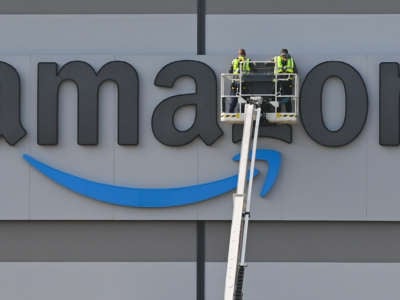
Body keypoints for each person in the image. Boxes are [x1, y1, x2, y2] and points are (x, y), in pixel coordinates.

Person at [228, 48, 252, 113]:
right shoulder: (248, 61)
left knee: (233, 100)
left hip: (235, 82)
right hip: (244, 83)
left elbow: (230, 71)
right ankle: (243, 112)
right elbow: (253, 70)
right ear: (245, 54)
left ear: (238, 54)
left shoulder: (234, 60)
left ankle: (231, 113)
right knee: (245, 100)